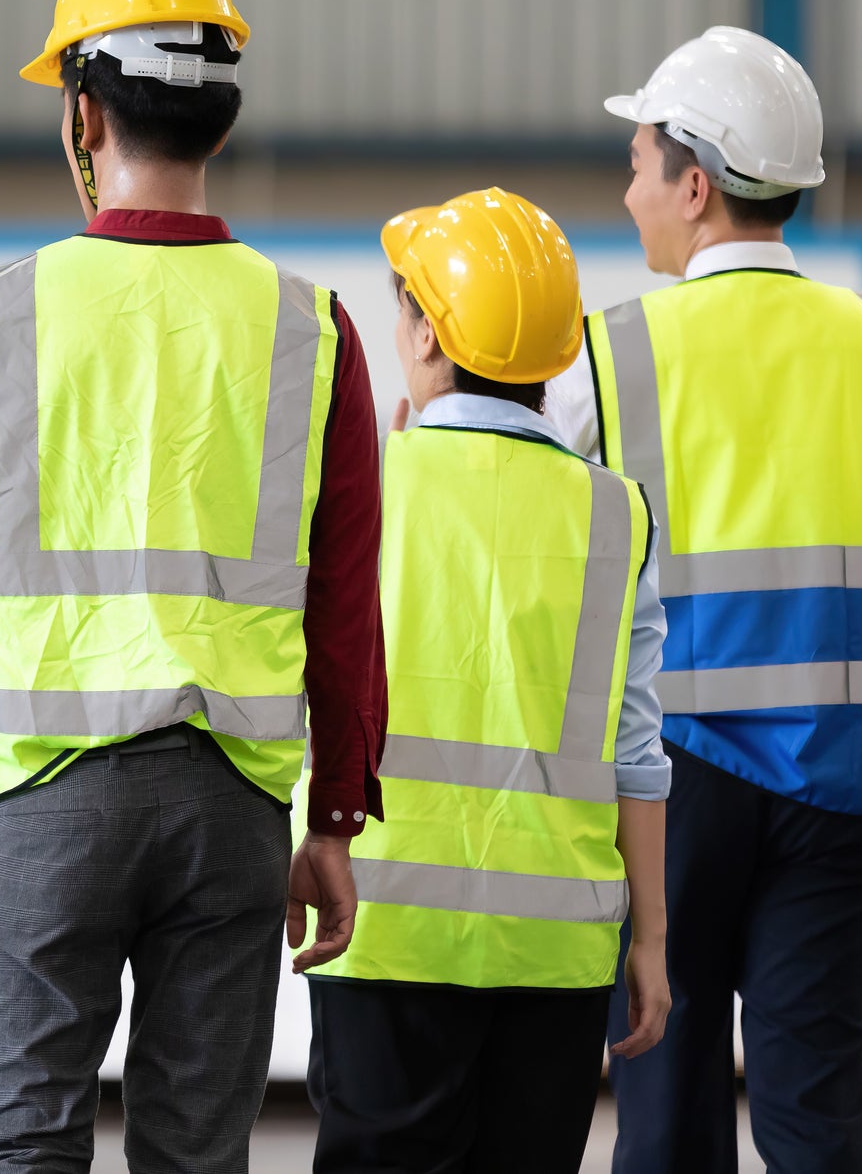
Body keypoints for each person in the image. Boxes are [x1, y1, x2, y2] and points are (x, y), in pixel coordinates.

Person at [0, 0, 387, 1174]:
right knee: (195, 1157)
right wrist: (333, 814)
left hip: (46, 799)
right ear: (216, 124)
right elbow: (343, 608)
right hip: (229, 804)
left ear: (82, 115)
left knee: (25, 1146)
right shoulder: (311, 330)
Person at [545, 26, 862, 1173]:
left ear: (695, 185)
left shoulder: (613, 354)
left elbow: (543, 560)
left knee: (668, 1107)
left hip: (675, 790)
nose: (627, 187)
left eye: (640, 161)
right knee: (817, 1119)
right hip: (844, 787)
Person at [307, 188, 672, 1174]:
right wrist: (652, 940)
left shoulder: (366, 488)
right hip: (556, 954)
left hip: (385, 933)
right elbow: (639, 754)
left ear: (427, 332)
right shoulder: (614, 515)